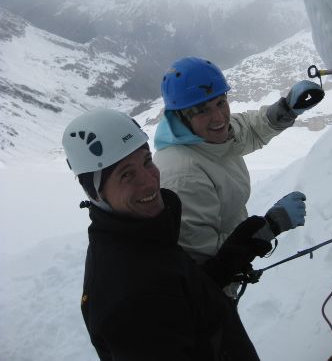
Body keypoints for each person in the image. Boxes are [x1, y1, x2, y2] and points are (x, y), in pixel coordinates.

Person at [62, 107, 275, 360]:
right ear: (96, 194)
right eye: (127, 174)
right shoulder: (128, 302)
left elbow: (181, 296)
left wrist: (237, 252)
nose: (149, 181)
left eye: (146, 161)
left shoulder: (145, 234)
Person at [153, 57, 324, 294]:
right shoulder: (184, 177)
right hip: (208, 304)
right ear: (180, 116)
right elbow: (207, 264)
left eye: (221, 103)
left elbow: (244, 129)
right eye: (202, 110)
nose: (219, 117)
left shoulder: (204, 136)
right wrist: (269, 227)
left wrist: (285, 109)